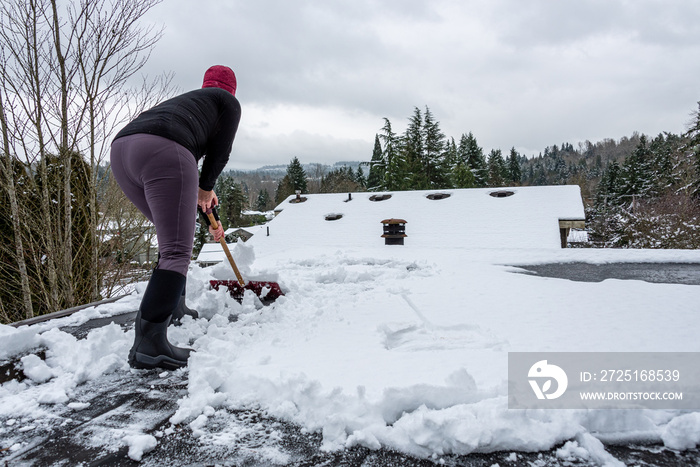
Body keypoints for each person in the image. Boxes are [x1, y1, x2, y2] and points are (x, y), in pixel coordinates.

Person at [110, 65, 241, 370]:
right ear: (231, 90)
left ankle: (175, 307)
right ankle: (150, 345)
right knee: (177, 249)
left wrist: (206, 203)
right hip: (166, 151)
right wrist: (206, 188)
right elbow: (220, 154)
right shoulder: (228, 103)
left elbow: (188, 193)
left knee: (170, 237)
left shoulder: (191, 103)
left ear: (205, 84)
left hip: (122, 150)